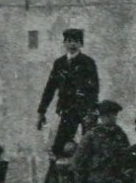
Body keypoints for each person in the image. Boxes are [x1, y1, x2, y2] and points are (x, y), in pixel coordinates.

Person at [36, 28, 101, 161]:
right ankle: (58, 179)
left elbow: (94, 89)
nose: (72, 45)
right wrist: (41, 112)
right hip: (67, 110)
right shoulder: (59, 64)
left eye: (76, 41)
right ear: (64, 43)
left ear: (81, 44)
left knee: (88, 147)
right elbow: (50, 88)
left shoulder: (88, 63)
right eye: (69, 41)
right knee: (59, 148)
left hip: (85, 111)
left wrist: (92, 111)